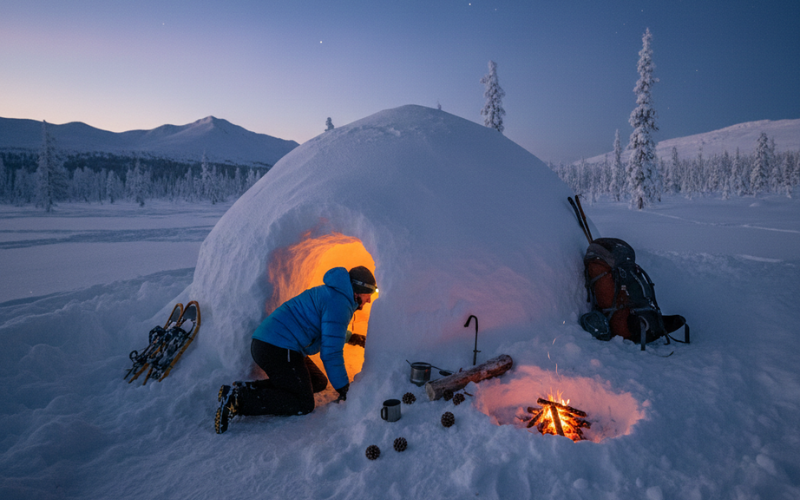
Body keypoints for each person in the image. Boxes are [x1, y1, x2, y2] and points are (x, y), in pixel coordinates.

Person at [215, 265, 377, 434]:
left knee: (317, 382)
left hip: (273, 343)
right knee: (303, 402)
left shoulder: (334, 295)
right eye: (369, 294)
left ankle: (246, 389)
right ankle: (237, 400)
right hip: (277, 347)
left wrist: (351, 338)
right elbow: (331, 353)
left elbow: (330, 329)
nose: (369, 300)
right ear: (358, 291)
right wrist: (344, 388)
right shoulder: (339, 303)